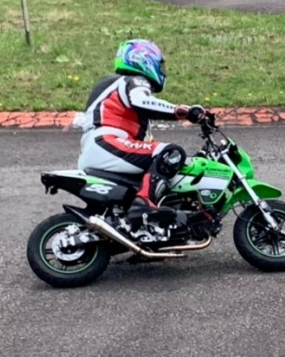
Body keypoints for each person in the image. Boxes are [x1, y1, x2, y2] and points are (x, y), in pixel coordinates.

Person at [74, 39, 206, 225]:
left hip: (100, 148)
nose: (162, 71)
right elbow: (141, 101)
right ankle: (143, 205)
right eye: (160, 66)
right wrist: (185, 112)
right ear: (142, 60)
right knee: (171, 152)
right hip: (107, 143)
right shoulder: (134, 81)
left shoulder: (115, 86)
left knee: (160, 161)